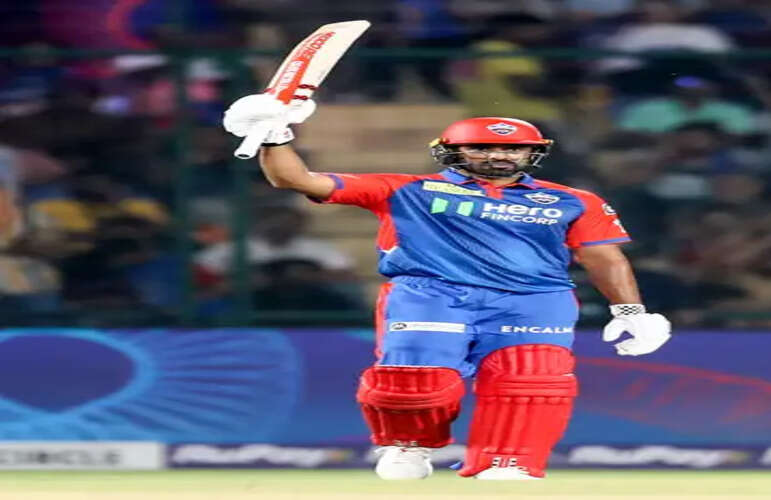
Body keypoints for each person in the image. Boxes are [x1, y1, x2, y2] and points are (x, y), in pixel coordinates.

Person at [221, 94, 672, 480]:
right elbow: (294, 179)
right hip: (431, 293)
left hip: (535, 300)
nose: (500, 157)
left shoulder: (572, 200)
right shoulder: (404, 189)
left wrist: (631, 312)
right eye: (482, 148)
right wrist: (274, 136)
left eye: (514, 149)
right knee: (415, 381)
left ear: (532, 153)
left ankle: (509, 459)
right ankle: (408, 444)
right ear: (451, 151)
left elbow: (603, 257)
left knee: (531, 381)